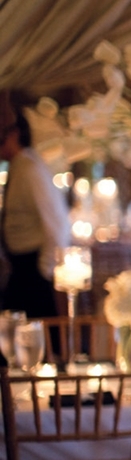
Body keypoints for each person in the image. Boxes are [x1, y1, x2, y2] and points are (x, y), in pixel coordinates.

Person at [0, 99, 70, 318]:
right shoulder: (18, 166)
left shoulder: (30, 169)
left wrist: (44, 271)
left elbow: (57, 222)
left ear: (13, 134)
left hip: (33, 270)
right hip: (20, 268)